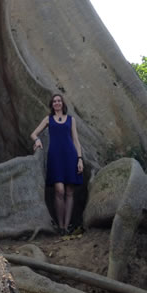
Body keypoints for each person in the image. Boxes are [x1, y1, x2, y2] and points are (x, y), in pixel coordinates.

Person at [31, 93, 83, 234]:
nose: (57, 103)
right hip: (55, 158)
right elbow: (34, 133)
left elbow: (76, 140)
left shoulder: (71, 120)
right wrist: (37, 140)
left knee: (69, 192)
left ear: (63, 104)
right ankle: (60, 226)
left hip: (70, 157)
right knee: (59, 190)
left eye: (59, 101)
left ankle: (66, 226)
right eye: (54, 101)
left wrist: (79, 159)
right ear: (52, 105)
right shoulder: (48, 119)